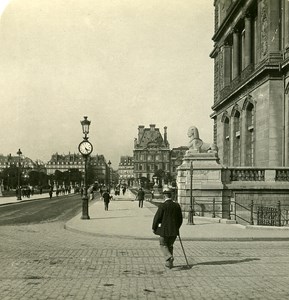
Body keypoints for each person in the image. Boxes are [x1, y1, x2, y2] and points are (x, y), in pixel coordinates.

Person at [152, 187, 183, 269]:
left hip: (164, 230)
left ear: (164, 196)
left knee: (162, 244)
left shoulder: (162, 206)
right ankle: (169, 264)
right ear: (171, 196)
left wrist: (154, 227)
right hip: (174, 231)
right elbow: (180, 219)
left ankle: (169, 257)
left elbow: (157, 218)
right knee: (170, 245)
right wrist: (177, 227)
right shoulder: (176, 205)